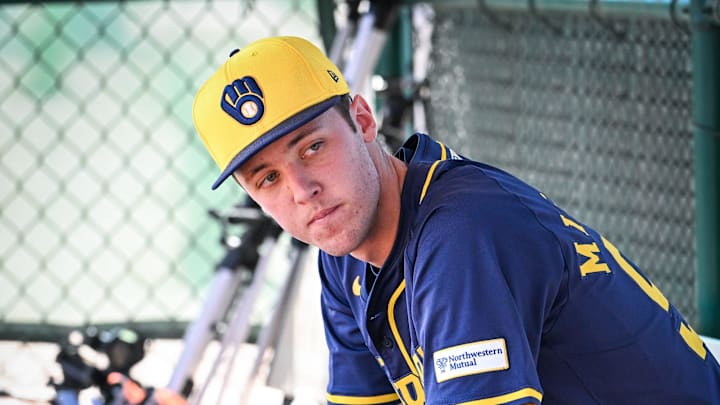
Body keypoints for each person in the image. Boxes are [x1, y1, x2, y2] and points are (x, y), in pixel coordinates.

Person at [190, 36, 720, 404]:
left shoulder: (462, 234)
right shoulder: (342, 253)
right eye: (267, 179)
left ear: (362, 119)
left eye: (311, 147)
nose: (303, 192)